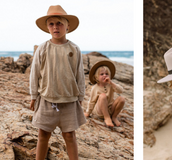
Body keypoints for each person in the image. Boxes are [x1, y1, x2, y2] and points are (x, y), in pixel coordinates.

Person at [29, 5, 86, 160]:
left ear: (67, 26)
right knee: (43, 135)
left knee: (69, 135)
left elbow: (79, 74)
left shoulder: (74, 49)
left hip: (69, 100)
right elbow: (34, 73)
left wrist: (80, 96)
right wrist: (33, 96)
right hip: (47, 99)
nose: (56, 27)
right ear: (48, 27)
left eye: (59, 23)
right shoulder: (43, 48)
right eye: (52, 24)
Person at [84, 60, 126, 127]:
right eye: (102, 74)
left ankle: (114, 117)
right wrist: (88, 112)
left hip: (110, 110)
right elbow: (91, 101)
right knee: (102, 96)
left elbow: (120, 91)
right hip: (100, 111)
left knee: (122, 99)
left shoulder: (110, 85)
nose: (105, 75)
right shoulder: (95, 88)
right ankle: (107, 118)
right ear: (96, 77)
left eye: (107, 74)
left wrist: (111, 83)